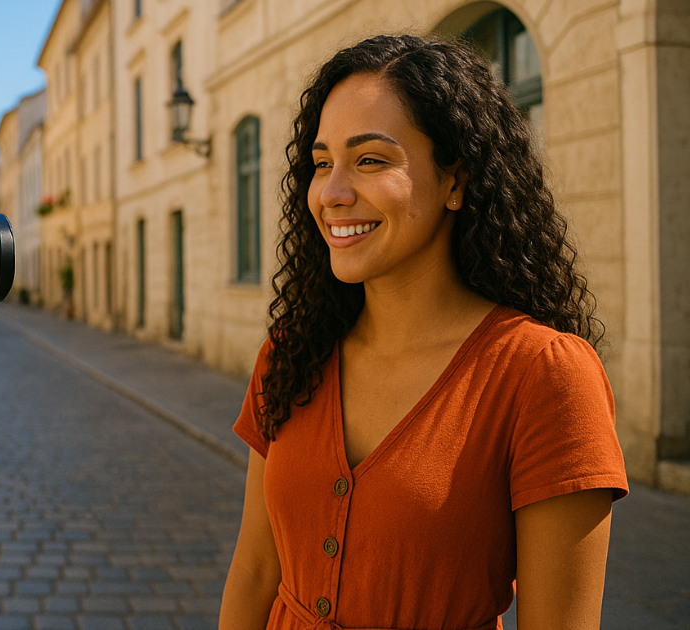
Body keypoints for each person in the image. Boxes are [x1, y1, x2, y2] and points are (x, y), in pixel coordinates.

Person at [219, 35, 628, 630]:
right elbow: (256, 571)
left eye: (371, 160)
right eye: (322, 163)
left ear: (456, 179)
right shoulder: (292, 351)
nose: (332, 194)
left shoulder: (543, 374)